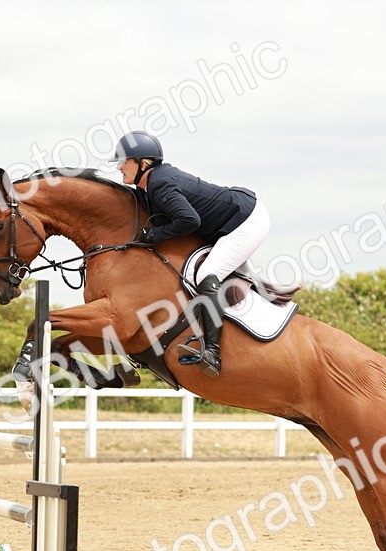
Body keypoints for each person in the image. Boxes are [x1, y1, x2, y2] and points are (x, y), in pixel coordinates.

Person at [109, 130, 269, 378]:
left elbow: (189, 221)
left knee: (206, 275)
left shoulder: (160, 184)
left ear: (144, 164)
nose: (119, 168)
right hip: (228, 218)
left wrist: (153, 236)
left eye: (123, 162)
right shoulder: (150, 184)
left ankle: (213, 353)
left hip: (246, 220)